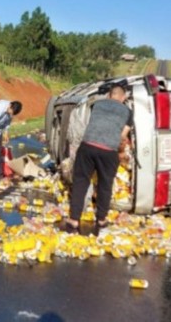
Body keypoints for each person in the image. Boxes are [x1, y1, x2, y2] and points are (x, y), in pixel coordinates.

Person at [64, 85, 132, 234]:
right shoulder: (127, 112)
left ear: (109, 95)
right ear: (124, 97)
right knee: (105, 185)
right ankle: (101, 219)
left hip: (88, 146)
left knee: (81, 182)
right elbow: (122, 137)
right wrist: (121, 153)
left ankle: (74, 219)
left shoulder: (97, 104)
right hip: (108, 151)